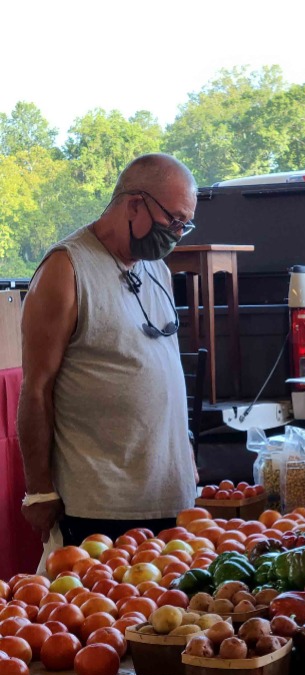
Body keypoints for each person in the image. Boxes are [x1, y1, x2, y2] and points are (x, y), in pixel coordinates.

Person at [18, 153, 199, 548]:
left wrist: (184, 449)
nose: (177, 234)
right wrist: (39, 491)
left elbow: (164, 373)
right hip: (100, 508)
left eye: (185, 224)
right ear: (134, 205)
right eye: (173, 220)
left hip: (170, 498)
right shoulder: (66, 269)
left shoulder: (157, 268)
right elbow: (36, 388)